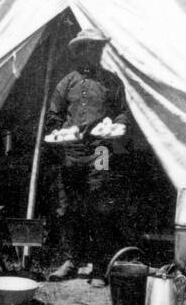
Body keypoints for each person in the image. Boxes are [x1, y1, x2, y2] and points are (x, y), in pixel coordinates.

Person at [45, 27, 131, 287]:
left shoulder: (112, 81)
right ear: (79, 51)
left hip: (102, 150)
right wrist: (61, 132)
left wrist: (117, 127)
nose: (95, 53)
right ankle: (72, 260)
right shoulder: (67, 83)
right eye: (90, 48)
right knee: (69, 205)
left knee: (100, 203)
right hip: (72, 151)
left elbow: (122, 114)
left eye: (99, 48)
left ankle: (99, 265)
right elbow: (53, 117)